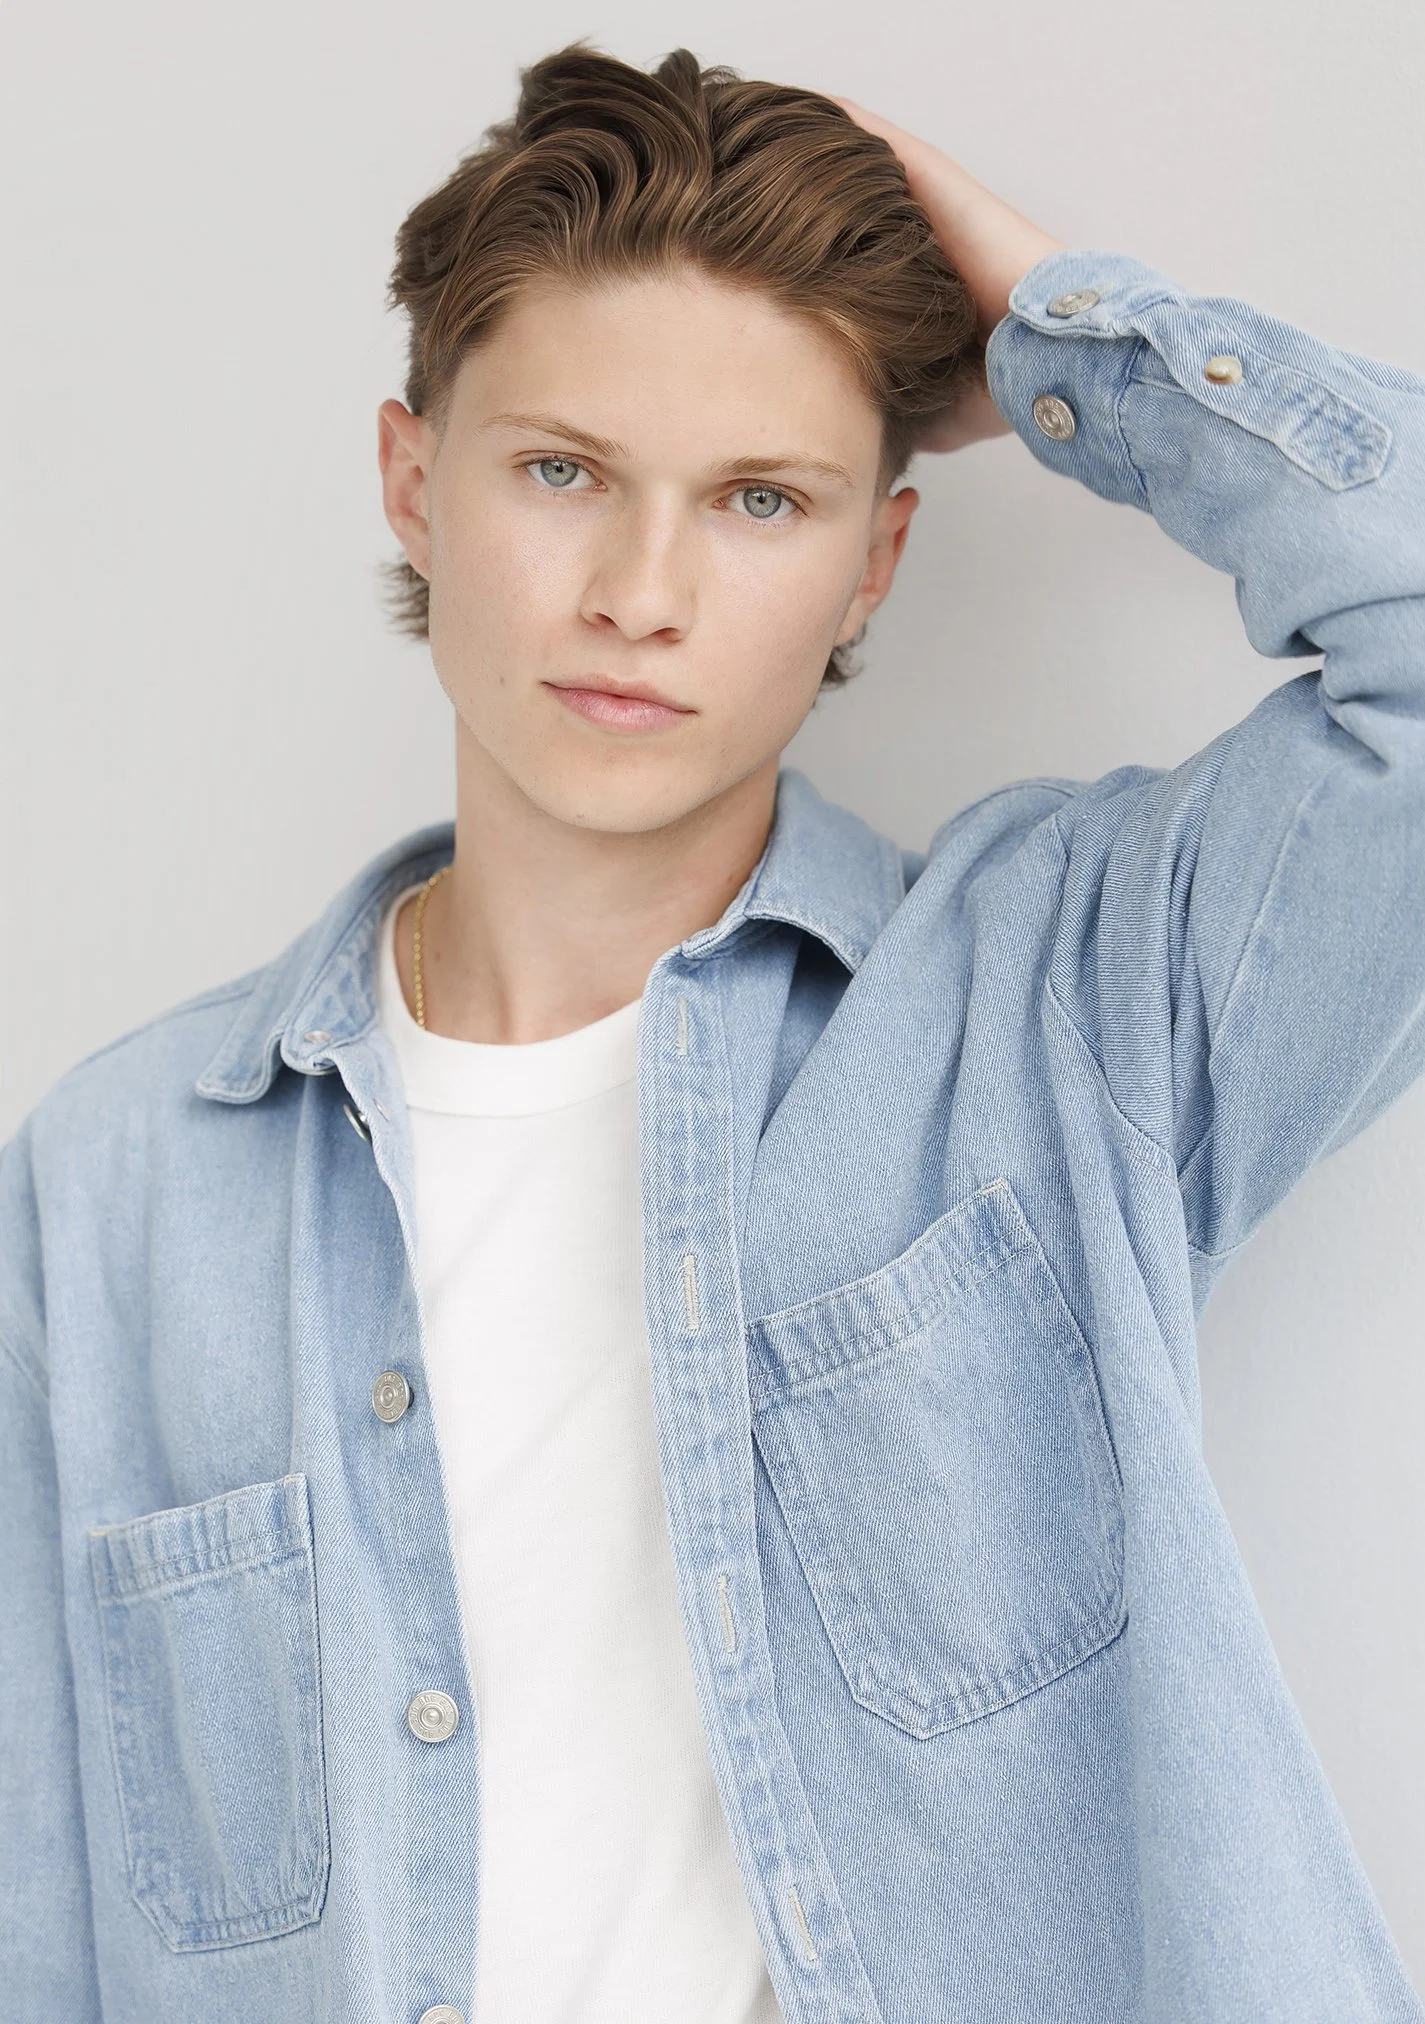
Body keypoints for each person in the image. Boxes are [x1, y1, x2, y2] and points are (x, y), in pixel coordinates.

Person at [2, 38, 1422, 2024]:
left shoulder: (1060, 1013)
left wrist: (1061, 336)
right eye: (563, 468)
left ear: (874, 560)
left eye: (760, 499)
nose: (640, 592)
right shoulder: (116, 1183)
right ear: (415, 480)